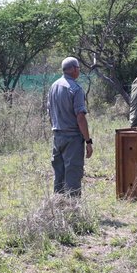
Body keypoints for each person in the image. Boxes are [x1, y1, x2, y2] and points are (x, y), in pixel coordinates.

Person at [47, 57, 92, 196]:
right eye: (78, 68)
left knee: (59, 175)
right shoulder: (75, 89)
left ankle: (58, 207)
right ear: (73, 69)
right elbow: (80, 117)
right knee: (73, 174)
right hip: (72, 138)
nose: (79, 71)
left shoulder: (53, 86)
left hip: (57, 137)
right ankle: (73, 210)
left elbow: (49, 112)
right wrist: (88, 141)